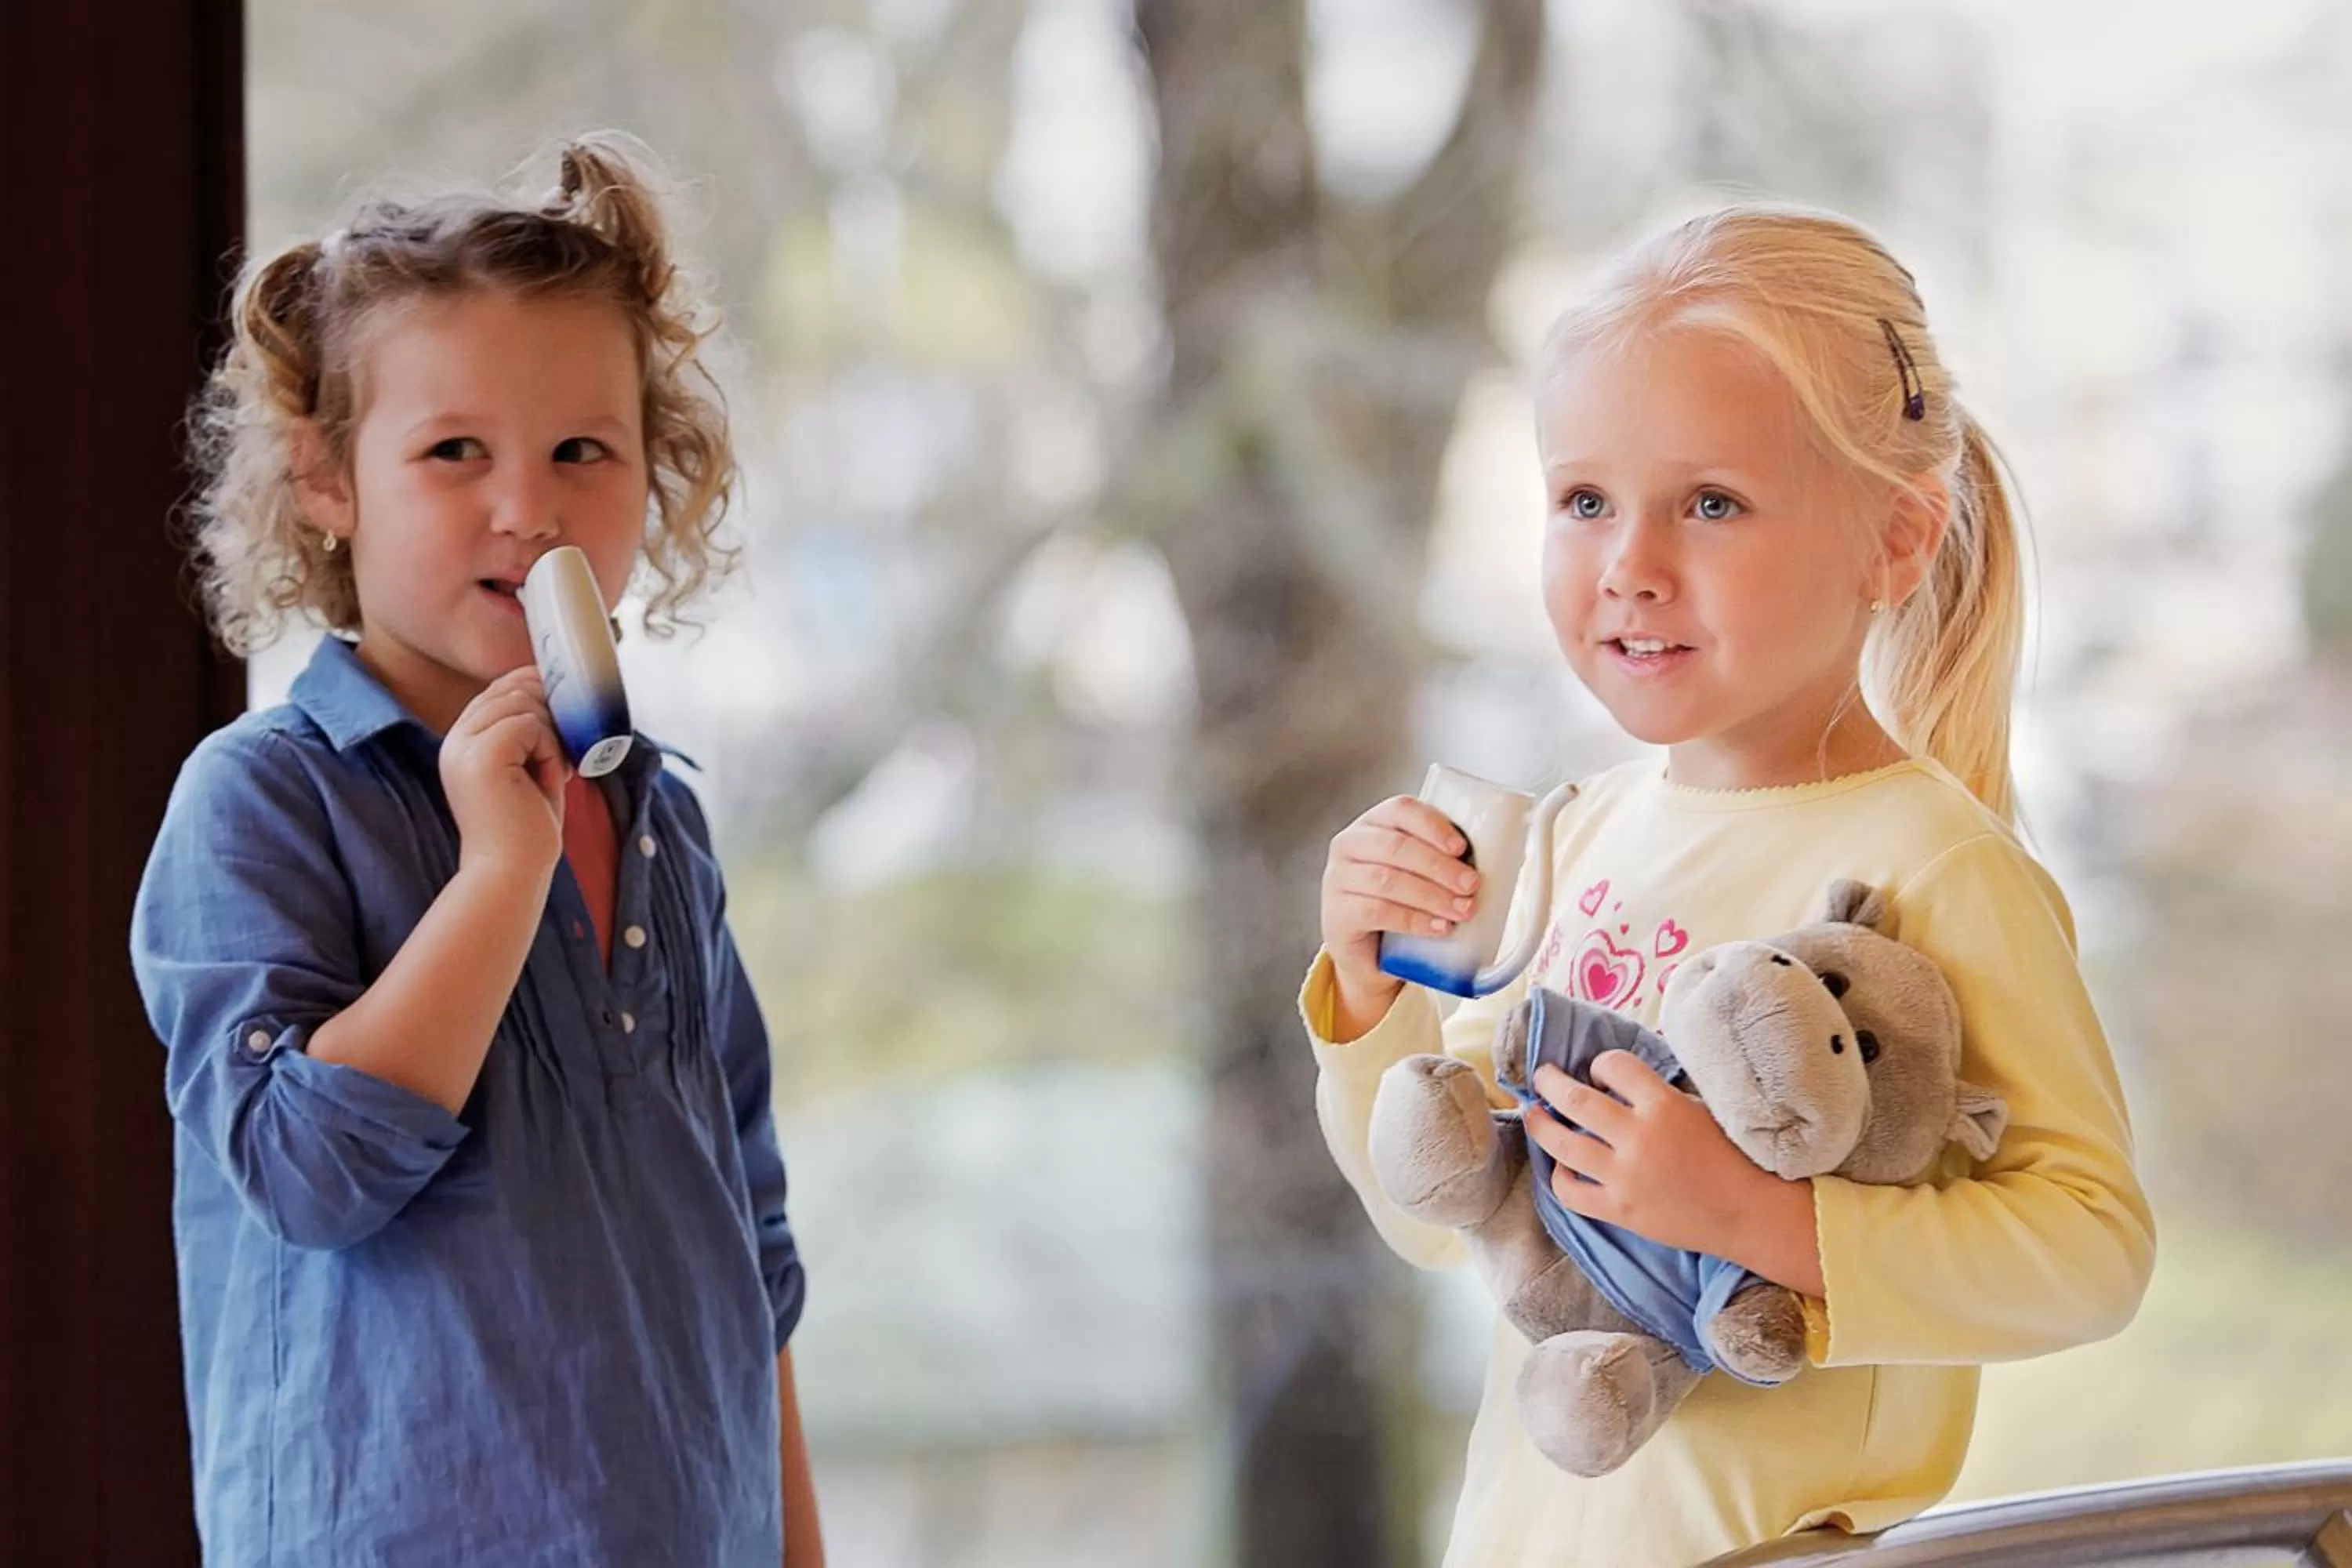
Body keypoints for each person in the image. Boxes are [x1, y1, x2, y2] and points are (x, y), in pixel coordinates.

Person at [1306, 204, 2155, 1566]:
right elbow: (1441, 1223)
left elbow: (2091, 1251)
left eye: (1709, 504)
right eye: (1584, 501)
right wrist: (1368, 997)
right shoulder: (1583, 835)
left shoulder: (1937, 864)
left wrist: (1755, 1217)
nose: (1629, 568)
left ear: (1895, 537)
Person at [131, 133, 822, 1565]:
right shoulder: (260, 802)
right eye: (456, 452)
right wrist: (497, 875)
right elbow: (307, 1176)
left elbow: (752, 1251)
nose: (530, 505)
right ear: (328, 480)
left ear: (657, 475)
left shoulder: (662, 824)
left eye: (585, 449)